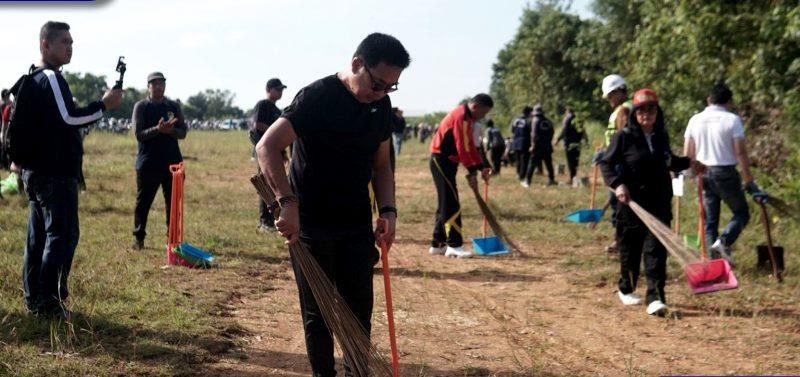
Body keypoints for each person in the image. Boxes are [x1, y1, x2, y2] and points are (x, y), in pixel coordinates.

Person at [256, 32, 408, 377]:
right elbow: (267, 147)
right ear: (357, 64)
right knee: (318, 315)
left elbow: (382, 164)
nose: (382, 92)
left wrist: (388, 210)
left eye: (391, 87)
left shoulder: (379, 105)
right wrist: (286, 202)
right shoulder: (317, 97)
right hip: (310, 223)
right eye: (378, 83)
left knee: (358, 311)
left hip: (355, 222)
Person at [16, 21, 122, 316]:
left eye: (72, 42)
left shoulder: (36, 77)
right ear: (45, 45)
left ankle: (34, 299)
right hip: (53, 173)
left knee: (39, 238)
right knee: (61, 236)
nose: (70, 47)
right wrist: (103, 105)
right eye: (64, 42)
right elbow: (69, 118)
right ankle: (48, 302)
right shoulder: (49, 77)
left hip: (39, 171)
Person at [600, 89, 702, 316]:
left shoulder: (660, 137)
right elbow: (606, 164)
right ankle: (626, 288)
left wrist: (689, 163)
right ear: (635, 113)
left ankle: (655, 297)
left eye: (651, 109)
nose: (647, 113)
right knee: (631, 248)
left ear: (657, 112)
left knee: (656, 249)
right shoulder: (623, 137)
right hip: (632, 203)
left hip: (659, 202)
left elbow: (668, 162)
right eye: (642, 109)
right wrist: (617, 185)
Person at [683, 83, 765, 266]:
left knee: (709, 220)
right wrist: (748, 180)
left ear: (708, 100)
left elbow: (688, 151)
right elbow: (740, 153)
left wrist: (688, 173)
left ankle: (713, 263)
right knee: (742, 213)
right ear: (729, 101)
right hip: (725, 172)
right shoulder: (732, 120)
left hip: (702, 174)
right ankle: (724, 242)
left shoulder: (695, 119)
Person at [429, 94, 493, 259]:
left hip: (449, 162)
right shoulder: (460, 116)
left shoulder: (468, 119)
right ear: (475, 107)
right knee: (452, 203)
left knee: (445, 202)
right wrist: (471, 171)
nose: (483, 117)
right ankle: (454, 245)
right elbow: (461, 148)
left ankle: (438, 244)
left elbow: (470, 146)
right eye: (483, 113)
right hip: (441, 160)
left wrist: (481, 166)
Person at [131, 72, 188, 250]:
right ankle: (138, 238)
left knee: (174, 203)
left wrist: (169, 130)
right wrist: (158, 129)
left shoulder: (173, 106)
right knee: (143, 203)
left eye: (162, 83)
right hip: (148, 163)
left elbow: (183, 132)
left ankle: (172, 241)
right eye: (154, 83)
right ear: (148, 86)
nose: (159, 86)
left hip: (173, 164)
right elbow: (139, 134)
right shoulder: (141, 106)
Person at [599, 73, 632, 253]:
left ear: (620, 91)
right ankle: (620, 240)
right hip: (615, 160)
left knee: (618, 205)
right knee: (618, 204)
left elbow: (623, 139)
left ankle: (621, 242)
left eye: (611, 95)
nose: (609, 99)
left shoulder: (624, 110)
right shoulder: (622, 109)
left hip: (619, 163)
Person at [251, 78, 287, 232]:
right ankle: (264, 221)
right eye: (278, 89)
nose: (280, 92)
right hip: (265, 153)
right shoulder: (263, 105)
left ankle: (272, 219)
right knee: (265, 185)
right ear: (269, 89)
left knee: (274, 186)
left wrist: (283, 152)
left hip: (276, 153)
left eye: (282, 90)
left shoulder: (277, 110)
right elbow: (257, 125)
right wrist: (275, 133)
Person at [525, 104, 555, 186]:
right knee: (549, 164)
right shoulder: (548, 121)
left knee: (532, 164)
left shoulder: (535, 120)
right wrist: (548, 141)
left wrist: (533, 145)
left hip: (538, 147)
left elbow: (534, 134)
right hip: (547, 146)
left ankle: (527, 181)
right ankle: (551, 180)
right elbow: (552, 132)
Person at [555, 106, 587, 184]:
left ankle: (572, 178)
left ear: (567, 111)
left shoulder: (567, 119)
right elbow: (583, 131)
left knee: (570, 161)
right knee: (575, 160)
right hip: (578, 143)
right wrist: (586, 140)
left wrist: (558, 139)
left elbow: (564, 131)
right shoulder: (579, 120)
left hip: (569, 143)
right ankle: (574, 177)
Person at [510, 106, 532, 185]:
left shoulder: (515, 120)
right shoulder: (528, 121)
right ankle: (522, 176)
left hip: (516, 142)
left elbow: (512, 130)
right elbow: (531, 132)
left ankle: (518, 173)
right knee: (524, 161)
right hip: (525, 142)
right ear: (529, 113)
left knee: (518, 160)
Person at [1, 89, 11, 169]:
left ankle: (5, 165)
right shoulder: (3, 105)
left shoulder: (9, 104)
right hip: (4, 128)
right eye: (8, 95)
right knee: (4, 149)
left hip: (5, 128)